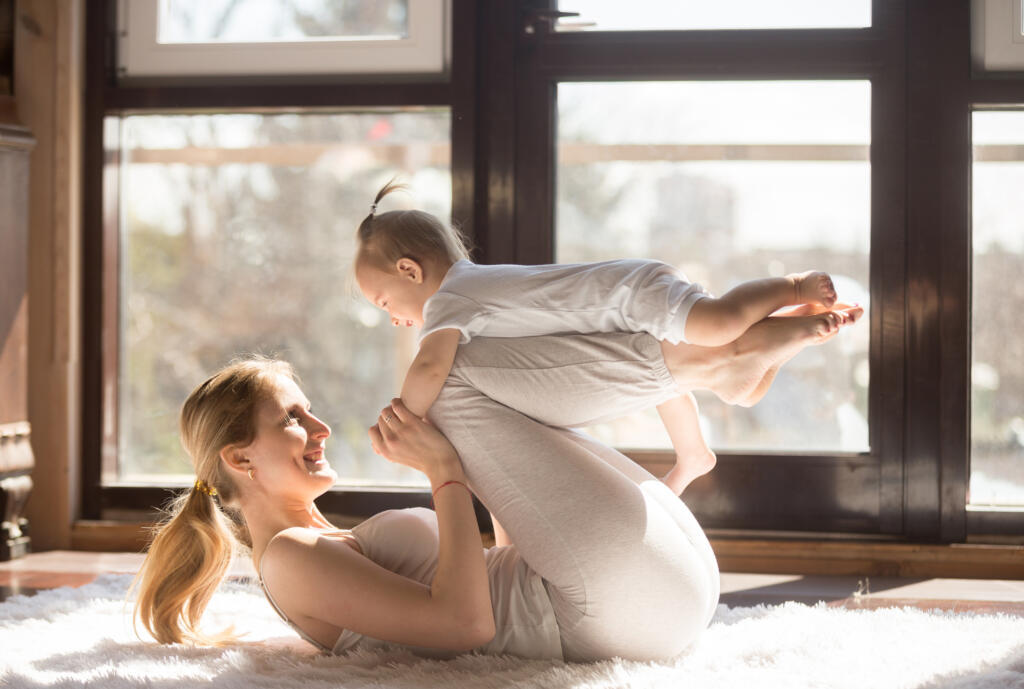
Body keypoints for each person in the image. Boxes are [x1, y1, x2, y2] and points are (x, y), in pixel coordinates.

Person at [132, 306, 860, 662]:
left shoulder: (315, 542)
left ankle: (701, 371)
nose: (321, 426)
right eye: (293, 417)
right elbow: (466, 625)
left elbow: (501, 564)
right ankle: (705, 363)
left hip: (653, 594)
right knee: (449, 385)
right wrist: (447, 471)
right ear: (240, 458)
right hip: (606, 611)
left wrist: (475, 470)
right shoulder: (289, 557)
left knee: (463, 387)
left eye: (310, 408)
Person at [354, 181, 854, 494]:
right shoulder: (470, 290)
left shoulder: (450, 300)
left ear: (409, 270)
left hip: (633, 294)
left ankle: (791, 288)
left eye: (385, 303)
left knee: (720, 321)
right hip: (622, 310)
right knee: (668, 385)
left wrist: (404, 417)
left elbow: (430, 368)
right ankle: (694, 454)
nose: (394, 318)